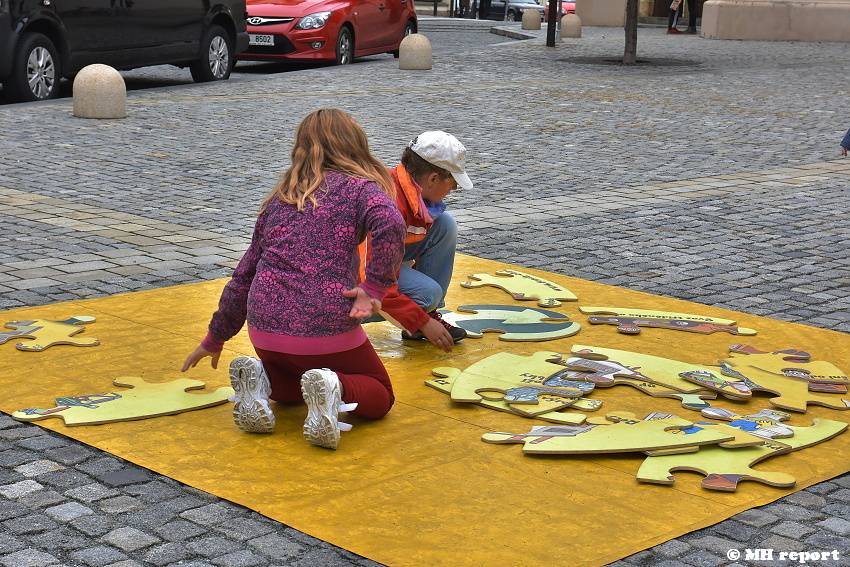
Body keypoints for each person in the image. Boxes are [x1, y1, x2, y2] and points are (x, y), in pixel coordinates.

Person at [181, 108, 405, 451]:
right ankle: (337, 388)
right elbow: (390, 223)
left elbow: (243, 275)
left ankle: (263, 381)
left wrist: (216, 336)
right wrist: (373, 288)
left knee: (294, 390)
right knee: (380, 393)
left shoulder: (279, 199)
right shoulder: (362, 190)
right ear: (356, 145)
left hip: (265, 326)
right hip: (325, 321)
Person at [360, 131, 472, 353]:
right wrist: (419, 320)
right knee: (427, 293)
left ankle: (427, 315)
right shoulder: (389, 203)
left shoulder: (406, 189)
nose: (454, 189)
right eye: (453, 182)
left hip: (374, 264)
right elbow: (371, 279)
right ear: (432, 179)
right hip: (353, 281)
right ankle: (345, 323)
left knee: (445, 224)